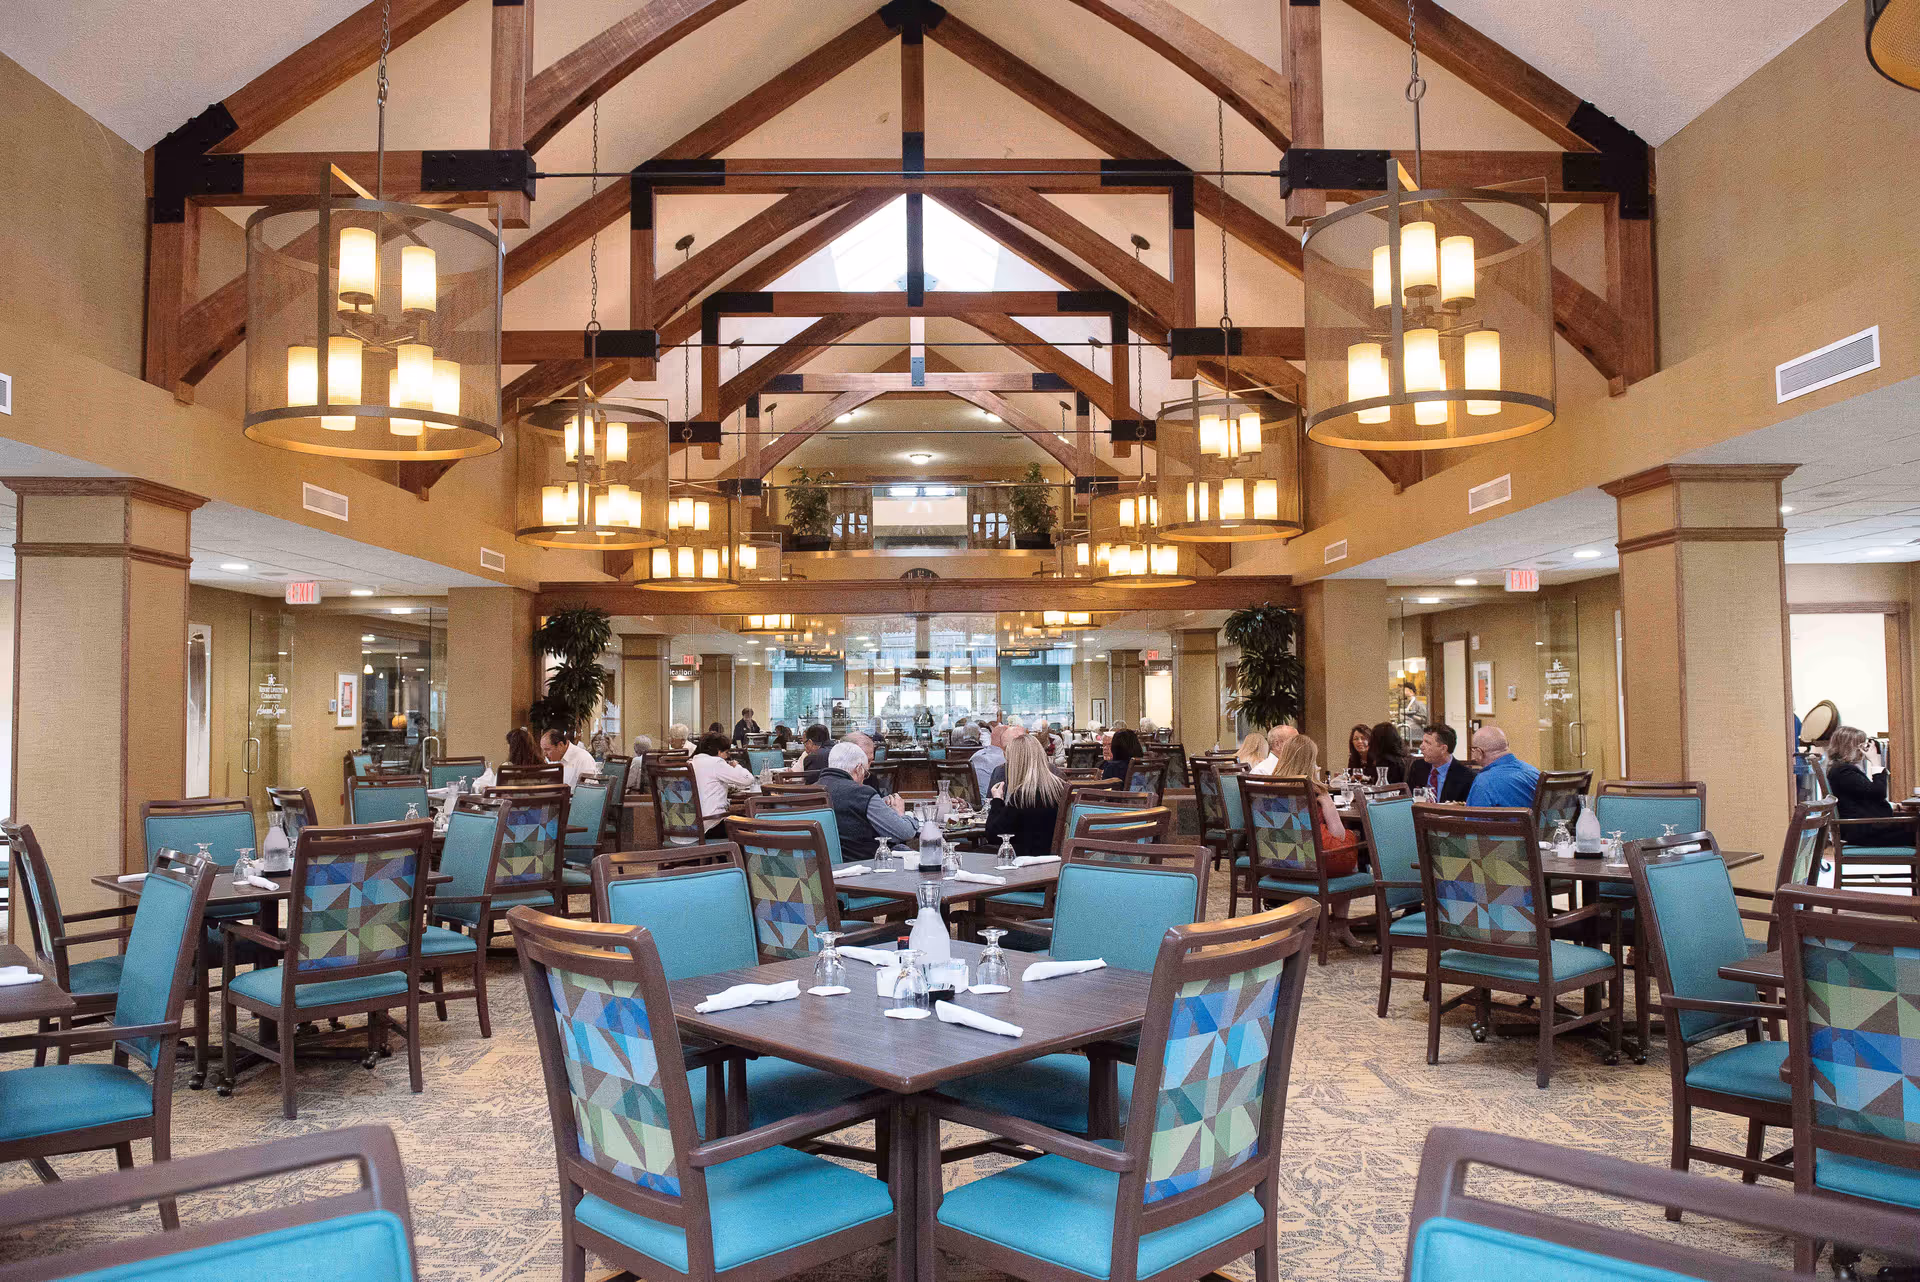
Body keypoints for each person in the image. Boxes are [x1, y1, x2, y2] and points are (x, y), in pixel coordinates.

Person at [1270, 733, 1361, 877]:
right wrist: (1328, 804)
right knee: (1349, 842)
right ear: (1310, 760)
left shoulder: (1267, 788)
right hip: (1315, 862)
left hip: (1277, 859)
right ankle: (1336, 896)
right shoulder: (1316, 791)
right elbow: (1339, 835)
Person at [815, 741, 918, 861]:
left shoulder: (806, 792)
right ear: (859, 769)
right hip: (865, 869)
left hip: (818, 870)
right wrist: (901, 814)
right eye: (865, 773)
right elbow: (905, 832)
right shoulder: (861, 793)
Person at [1826, 726, 1914, 847]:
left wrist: (1894, 806)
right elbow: (1879, 793)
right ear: (1851, 747)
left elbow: (1864, 797)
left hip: (1865, 829)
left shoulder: (1841, 769)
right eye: (1861, 745)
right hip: (1864, 832)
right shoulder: (1843, 771)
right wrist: (1876, 762)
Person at [983, 734, 1064, 859]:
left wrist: (997, 800)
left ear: (1015, 764)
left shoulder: (1022, 796)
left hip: (1026, 863)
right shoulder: (1060, 788)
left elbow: (993, 835)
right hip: (1055, 861)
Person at [688, 730, 755, 838]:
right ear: (719, 752)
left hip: (687, 827)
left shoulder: (689, 763)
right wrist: (736, 765)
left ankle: (722, 854)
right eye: (726, 753)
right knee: (751, 825)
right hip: (708, 826)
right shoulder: (716, 763)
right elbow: (748, 779)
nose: (727, 757)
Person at [1465, 725, 1542, 808]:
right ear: (1507, 745)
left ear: (1478, 752)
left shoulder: (1483, 782)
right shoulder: (1534, 773)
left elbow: (1475, 819)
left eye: (1473, 750)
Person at [1407, 723, 1475, 801]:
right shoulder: (1418, 767)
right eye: (1422, 742)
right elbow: (1407, 799)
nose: (1421, 747)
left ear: (1443, 749)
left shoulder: (1466, 777)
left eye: (1427, 743)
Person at [970, 723, 1011, 797]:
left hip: (969, 804)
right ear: (1005, 739)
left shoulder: (975, 755)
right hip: (992, 802)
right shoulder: (1005, 760)